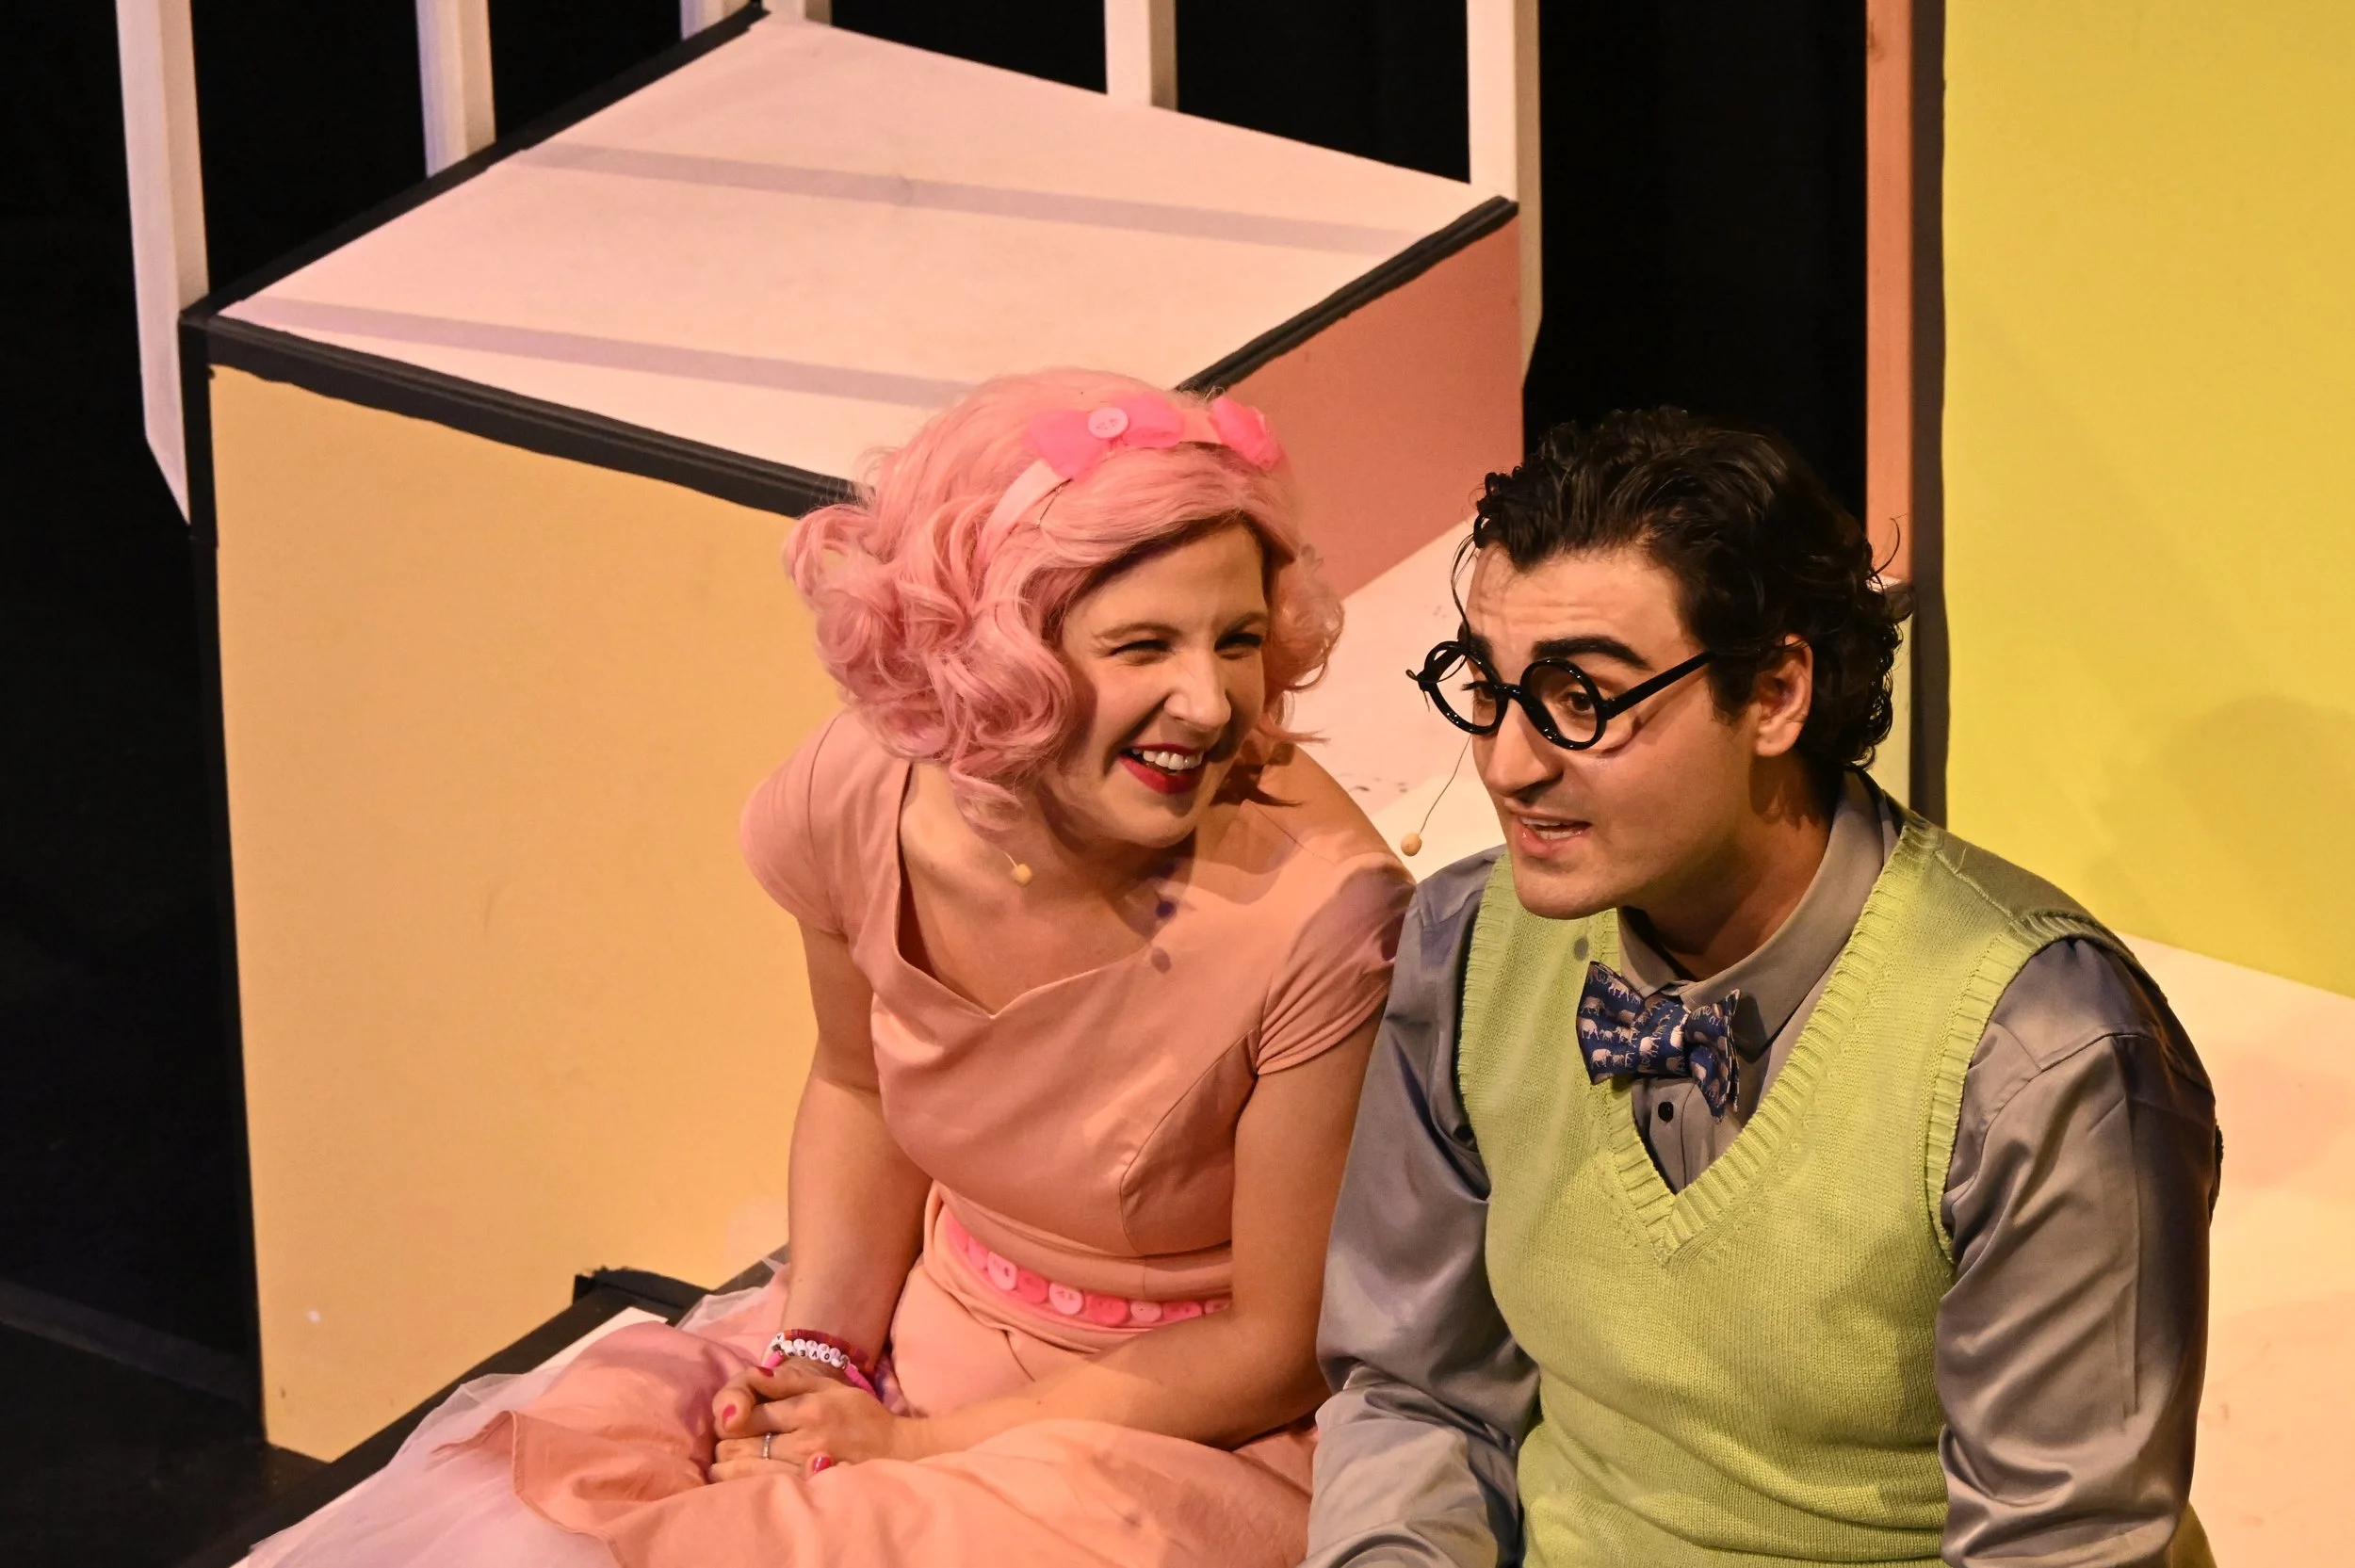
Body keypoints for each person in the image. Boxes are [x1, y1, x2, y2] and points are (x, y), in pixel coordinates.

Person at [246, 369, 1410, 1568]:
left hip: (1161, 1436)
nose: (1208, 702)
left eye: (1237, 640)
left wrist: (918, 1450)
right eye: (1142, 645)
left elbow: (1273, 1347)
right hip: (914, 1330)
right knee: (558, 1516)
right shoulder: (861, 792)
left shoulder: (1323, 915)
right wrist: (815, 1363)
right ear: (999, 650)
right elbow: (858, 1087)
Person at [1305, 410, 2221, 1568]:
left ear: (1778, 693)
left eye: (1582, 697)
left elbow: (2062, 1544)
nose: (1508, 761)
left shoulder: (2039, 1055)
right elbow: (1414, 1393)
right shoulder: (1465, 946)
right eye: (1486, 686)